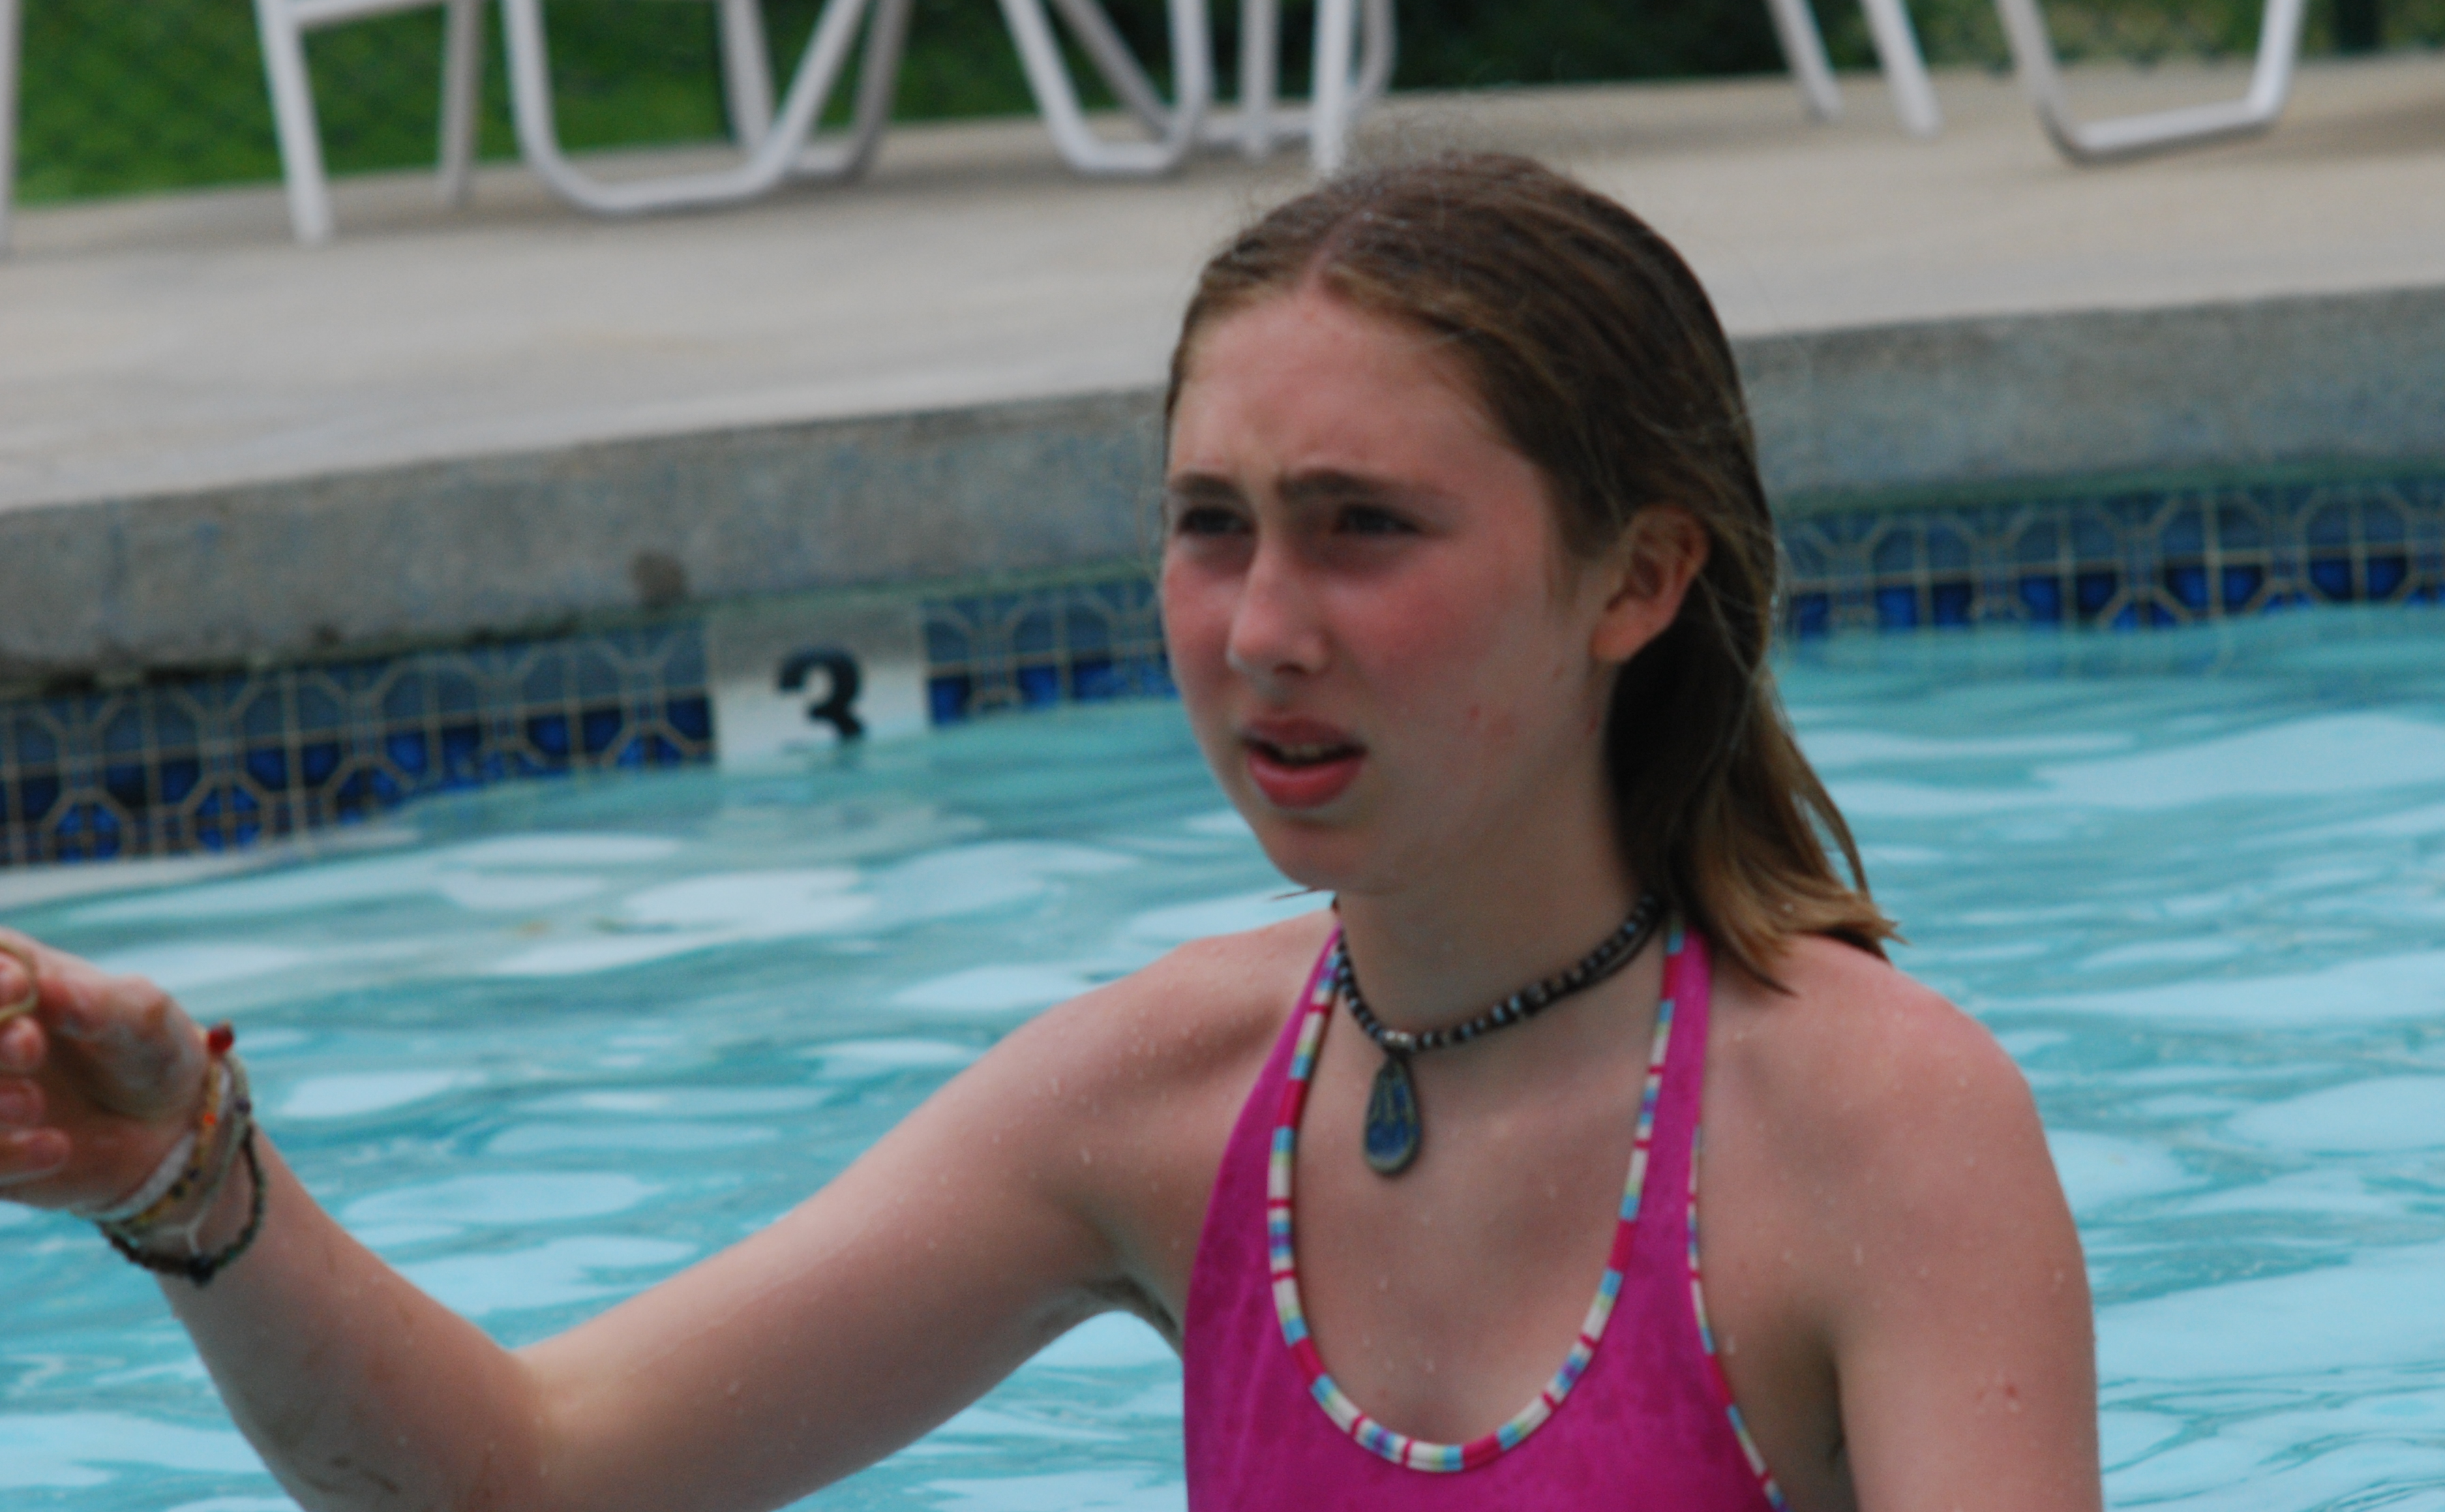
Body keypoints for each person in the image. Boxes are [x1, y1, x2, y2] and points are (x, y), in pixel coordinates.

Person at [0, 154, 2099, 1512]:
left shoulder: (1876, 1133)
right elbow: (535, 1475)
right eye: (1212, 527)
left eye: (1365, 528)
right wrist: (190, 1180)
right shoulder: (1164, 1103)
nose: (1262, 631)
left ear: (1636, 577)